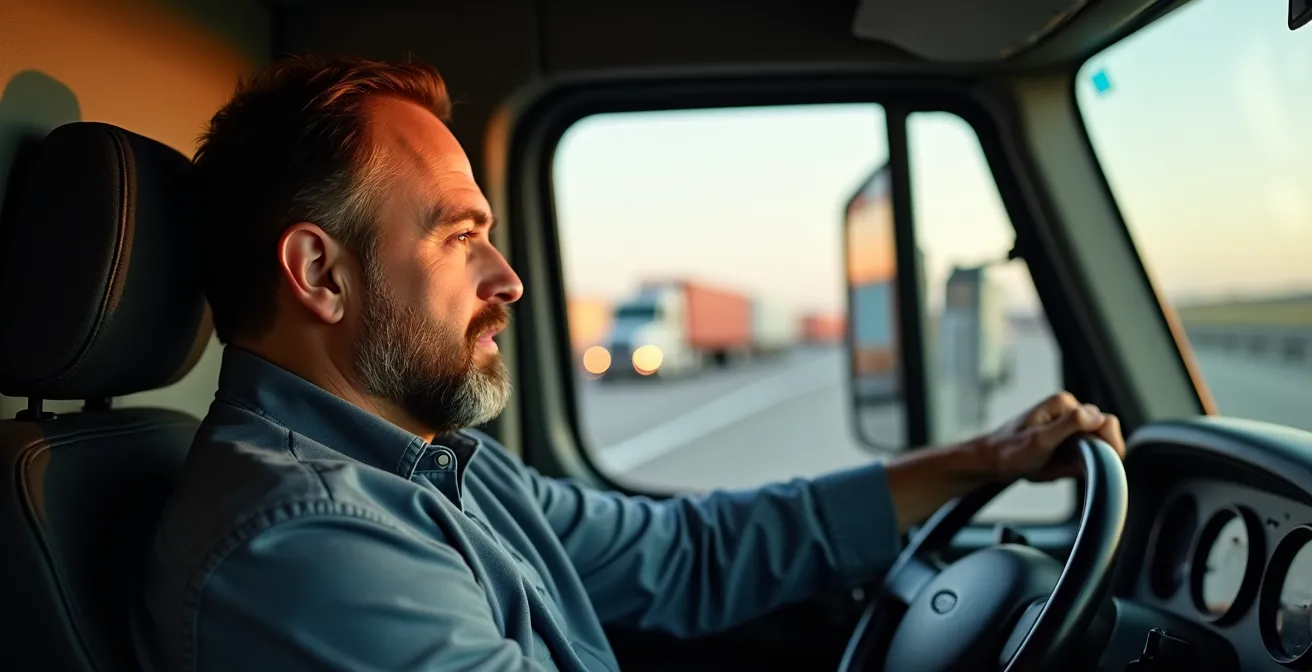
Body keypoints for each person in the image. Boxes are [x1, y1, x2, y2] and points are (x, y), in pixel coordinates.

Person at [135, 55, 1125, 672]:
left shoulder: (433, 466)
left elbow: (685, 553)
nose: (508, 278)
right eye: (459, 236)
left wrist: (979, 461)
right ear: (322, 274)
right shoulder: (304, 543)